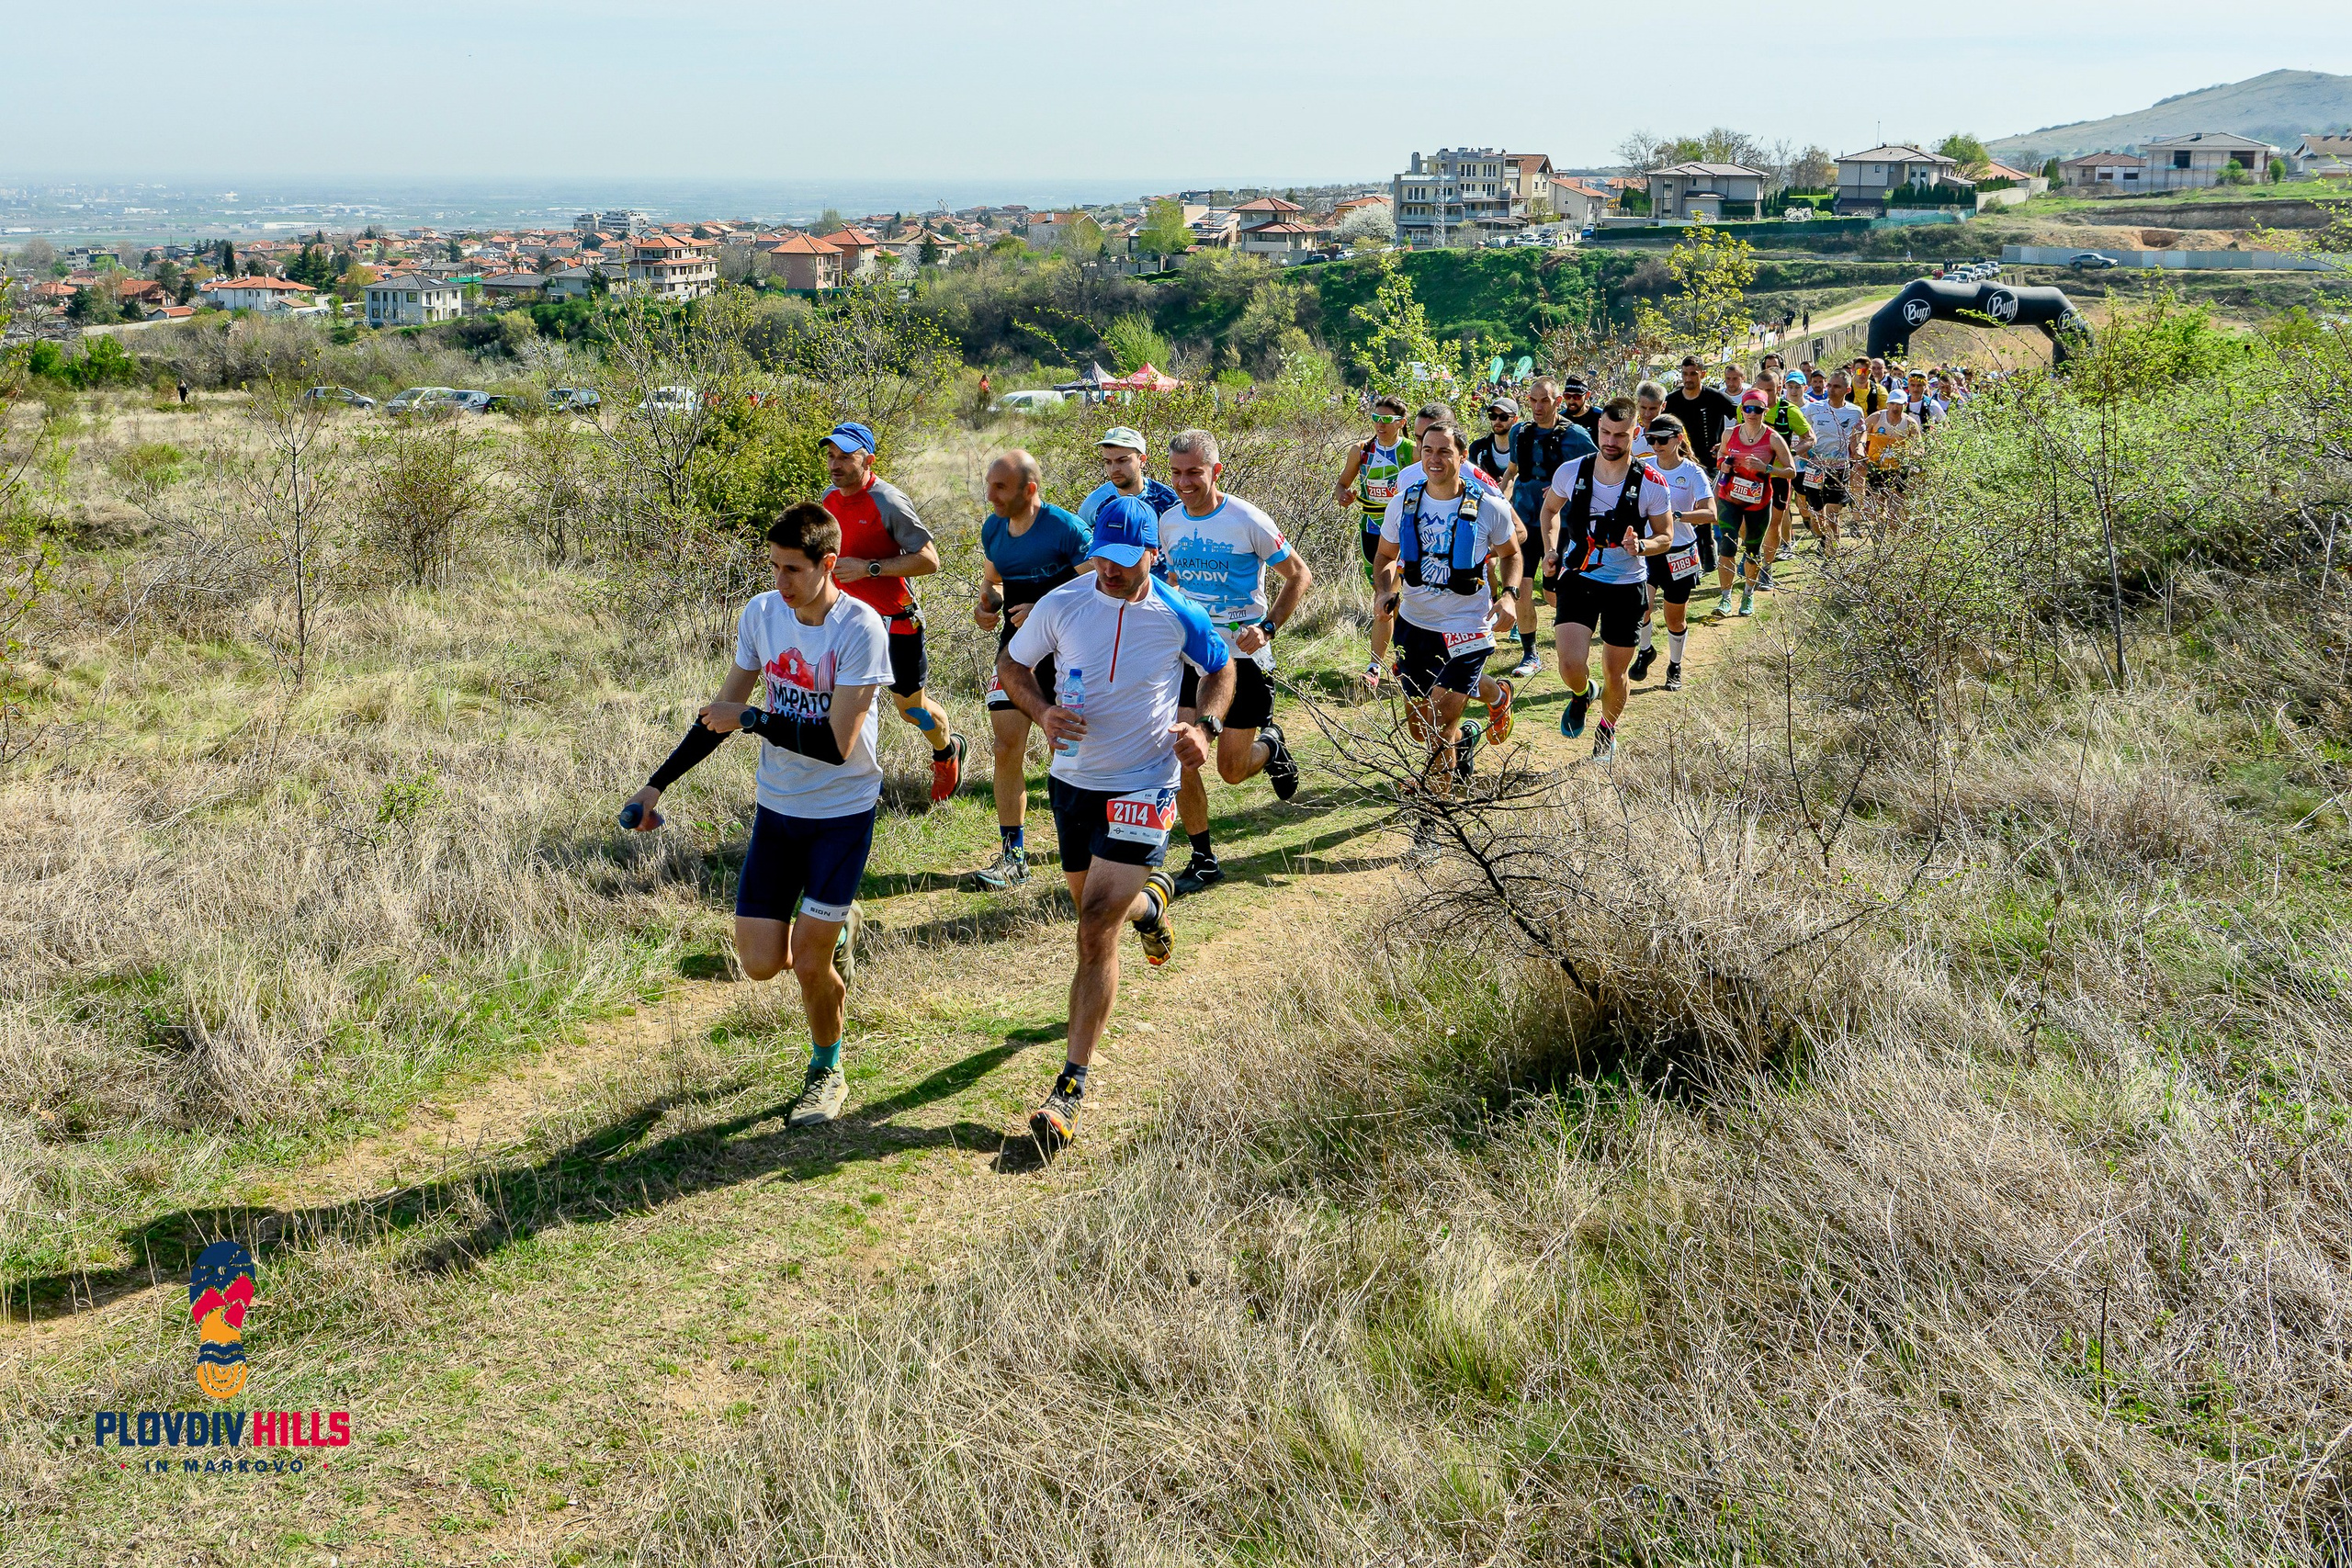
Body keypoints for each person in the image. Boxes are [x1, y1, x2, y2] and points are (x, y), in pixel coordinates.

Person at [620, 502, 890, 1128]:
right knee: (762, 962)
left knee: (811, 962)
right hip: (779, 809)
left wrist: (755, 720)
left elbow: (835, 744)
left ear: (829, 564)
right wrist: (656, 785)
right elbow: (724, 709)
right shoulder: (762, 615)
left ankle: (827, 1069)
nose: (780, 581)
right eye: (772, 566)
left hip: (842, 811)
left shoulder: (861, 627)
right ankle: (837, 922)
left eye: (792, 568)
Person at [998, 497, 1233, 1158]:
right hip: (1073, 780)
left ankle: (1069, 1085)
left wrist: (1204, 727)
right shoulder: (1064, 603)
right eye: (1102, 554)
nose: (1110, 568)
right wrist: (1042, 712)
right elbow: (1011, 668)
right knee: (1096, 909)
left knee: (1092, 925)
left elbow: (1221, 668)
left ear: (1153, 555)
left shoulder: (1176, 612)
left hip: (1144, 781)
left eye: (1126, 560)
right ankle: (1152, 905)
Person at [1157, 429, 1309, 896]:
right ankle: (1203, 859)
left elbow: (1299, 575)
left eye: (1195, 473)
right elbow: (1179, 579)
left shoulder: (1246, 519)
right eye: (1177, 473)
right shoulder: (1168, 523)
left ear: (1215, 471)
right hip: (1193, 655)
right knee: (1180, 753)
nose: (1185, 482)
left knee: (1232, 770)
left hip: (1244, 657)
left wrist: (1266, 627)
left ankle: (1272, 745)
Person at [1372, 421, 1522, 863]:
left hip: (1467, 626)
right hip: (1416, 625)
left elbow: (1513, 554)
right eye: (1427, 450)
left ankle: (1431, 824)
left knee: (1440, 721)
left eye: (1444, 452)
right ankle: (1471, 733)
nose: (1434, 459)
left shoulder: (1488, 505)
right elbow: (1385, 557)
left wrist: (1509, 596)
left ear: (1461, 457)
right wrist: (1384, 590)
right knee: (1419, 725)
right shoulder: (1404, 502)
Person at [818, 422, 965, 805]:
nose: (836, 465)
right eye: (831, 456)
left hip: (895, 621)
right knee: (841, 705)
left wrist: (870, 568)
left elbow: (930, 560)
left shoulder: (888, 501)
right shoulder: (828, 500)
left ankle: (946, 751)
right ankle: (856, 784)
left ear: (868, 460)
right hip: (847, 622)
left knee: (911, 711)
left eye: (846, 457)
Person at [970, 449, 1094, 891]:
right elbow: (994, 581)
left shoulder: (1065, 528)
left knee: (1070, 752)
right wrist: (988, 604)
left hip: (1068, 652)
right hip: (1017, 654)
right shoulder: (994, 529)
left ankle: (1087, 852)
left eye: (1000, 487)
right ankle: (1013, 856)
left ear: (1030, 490)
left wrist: (1044, 607)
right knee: (1005, 746)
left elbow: (1097, 586)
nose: (990, 495)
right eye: (989, 485)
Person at [1542, 396, 1673, 760]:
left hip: (1626, 583)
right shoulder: (1572, 471)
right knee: (1570, 665)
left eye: (1619, 435)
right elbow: (1550, 510)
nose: (1610, 442)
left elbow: (1667, 536)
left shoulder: (1651, 482)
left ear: (1637, 433)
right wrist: (1551, 550)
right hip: (1579, 574)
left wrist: (1643, 545)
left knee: (1616, 672)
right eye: (1604, 433)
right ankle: (1583, 693)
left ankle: (1607, 729)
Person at [1497, 377, 1596, 682]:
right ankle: (1531, 654)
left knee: (1555, 593)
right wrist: (1498, 500)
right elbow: (1512, 471)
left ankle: (1575, 634)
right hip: (1525, 520)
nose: (1538, 407)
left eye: (1545, 401)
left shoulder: (1577, 436)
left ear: (1557, 402)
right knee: (1522, 587)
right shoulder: (1518, 432)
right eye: (1533, 400)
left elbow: (1598, 471)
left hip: (1563, 523)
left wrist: (1563, 489)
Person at [1332, 394, 1414, 696]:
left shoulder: (1412, 451)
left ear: (1401, 423)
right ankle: (1388, 662)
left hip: (1406, 531)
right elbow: (1341, 484)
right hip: (1372, 529)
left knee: (1392, 598)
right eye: (1375, 418)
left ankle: (1379, 665)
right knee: (1385, 599)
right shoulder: (1361, 450)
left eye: (1387, 420)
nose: (1380, 424)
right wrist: (1344, 495)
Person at [1639, 413, 1714, 692]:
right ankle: (1645, 650)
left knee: (1674, 617)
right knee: (1641, 607)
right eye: (1651, 439)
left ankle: (1675, 665)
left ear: (1678, 439)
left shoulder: (1693, 473)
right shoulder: (1643, 467)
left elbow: (1710, 514)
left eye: (1662, 439)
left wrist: (1678, 515)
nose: (1656, 444)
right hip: (1647, 549)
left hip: (1680, 552)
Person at [1711, 389, 1796, 618]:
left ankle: (1748, 594)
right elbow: (1721, 453)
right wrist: (1723, 465)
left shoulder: (1773, 438)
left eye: (1757, 409)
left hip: (1758, 502)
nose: (1752, 413)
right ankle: (1725, 598)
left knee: (1752, 549)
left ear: (1765, 411)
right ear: (1741, 410)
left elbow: (1791, 471)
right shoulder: (1730, 433)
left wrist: (1766, 468)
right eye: (1747, 408)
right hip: (1729, 498)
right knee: (1726, 547)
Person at [1796, 369, 1864, 550]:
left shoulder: (1855, 412)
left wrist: (1859, 448)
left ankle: (1832, 558)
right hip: (1814, 468)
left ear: (1847, 390)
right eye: (1830, 385)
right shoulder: (1814, 408)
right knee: (1816, 516)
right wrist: (1804, 452)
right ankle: (1823, 539)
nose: (1831, 389)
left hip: (1839, 469)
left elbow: (1860, 433)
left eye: (1837, 386)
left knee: (1833, 514)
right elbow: (1803, 433)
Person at [1758, 368, 1812, 586]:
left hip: (1779, 475)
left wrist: (1792, 453)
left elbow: (1810, 438)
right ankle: (1751, 553)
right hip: (1752, 475)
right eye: (1761, 390)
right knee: (1748, 523)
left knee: (1774, 523)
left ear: (1780, 388)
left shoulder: (1788, 411)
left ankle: (1767, 568)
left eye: (1770, 390)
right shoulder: (1746, 408)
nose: (1765, 395)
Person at [1077, 425, 1180, 526]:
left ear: (1142, 460)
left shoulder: (1167, 501)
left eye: (1122, 461)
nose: (1114, 469)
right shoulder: (1096, 501)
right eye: (1108, 462)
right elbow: (1078, 537)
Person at [1664, 355, 1738, 474]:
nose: (1688, 378)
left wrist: (1727, 442)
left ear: (1702, 374)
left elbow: (1746, 417)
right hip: (1680, 462)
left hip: (1711, 464)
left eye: (1693, 374)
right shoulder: (1672, 400)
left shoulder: (1715, 397)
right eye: (1685, 374)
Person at [1860, 389, 1921, 502]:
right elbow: (1859, 433)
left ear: (1905, 405)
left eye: (1899, 404)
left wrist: (1913, 454)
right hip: (1875, 466)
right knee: (1875, 503)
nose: (1895, 407)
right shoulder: (1877, 418)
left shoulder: (1910, 423)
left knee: (1896, 504)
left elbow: (1919, 446)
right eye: (1892, 404)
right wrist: (1861, 451)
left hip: (1898, 468)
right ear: (1887, 404)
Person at [1469, 395, 1517, 481]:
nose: (1497, 420)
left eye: (1504, 417)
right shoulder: (1477, 448)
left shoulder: (1523, 448)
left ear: (1515, 419)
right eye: (1493, 416)